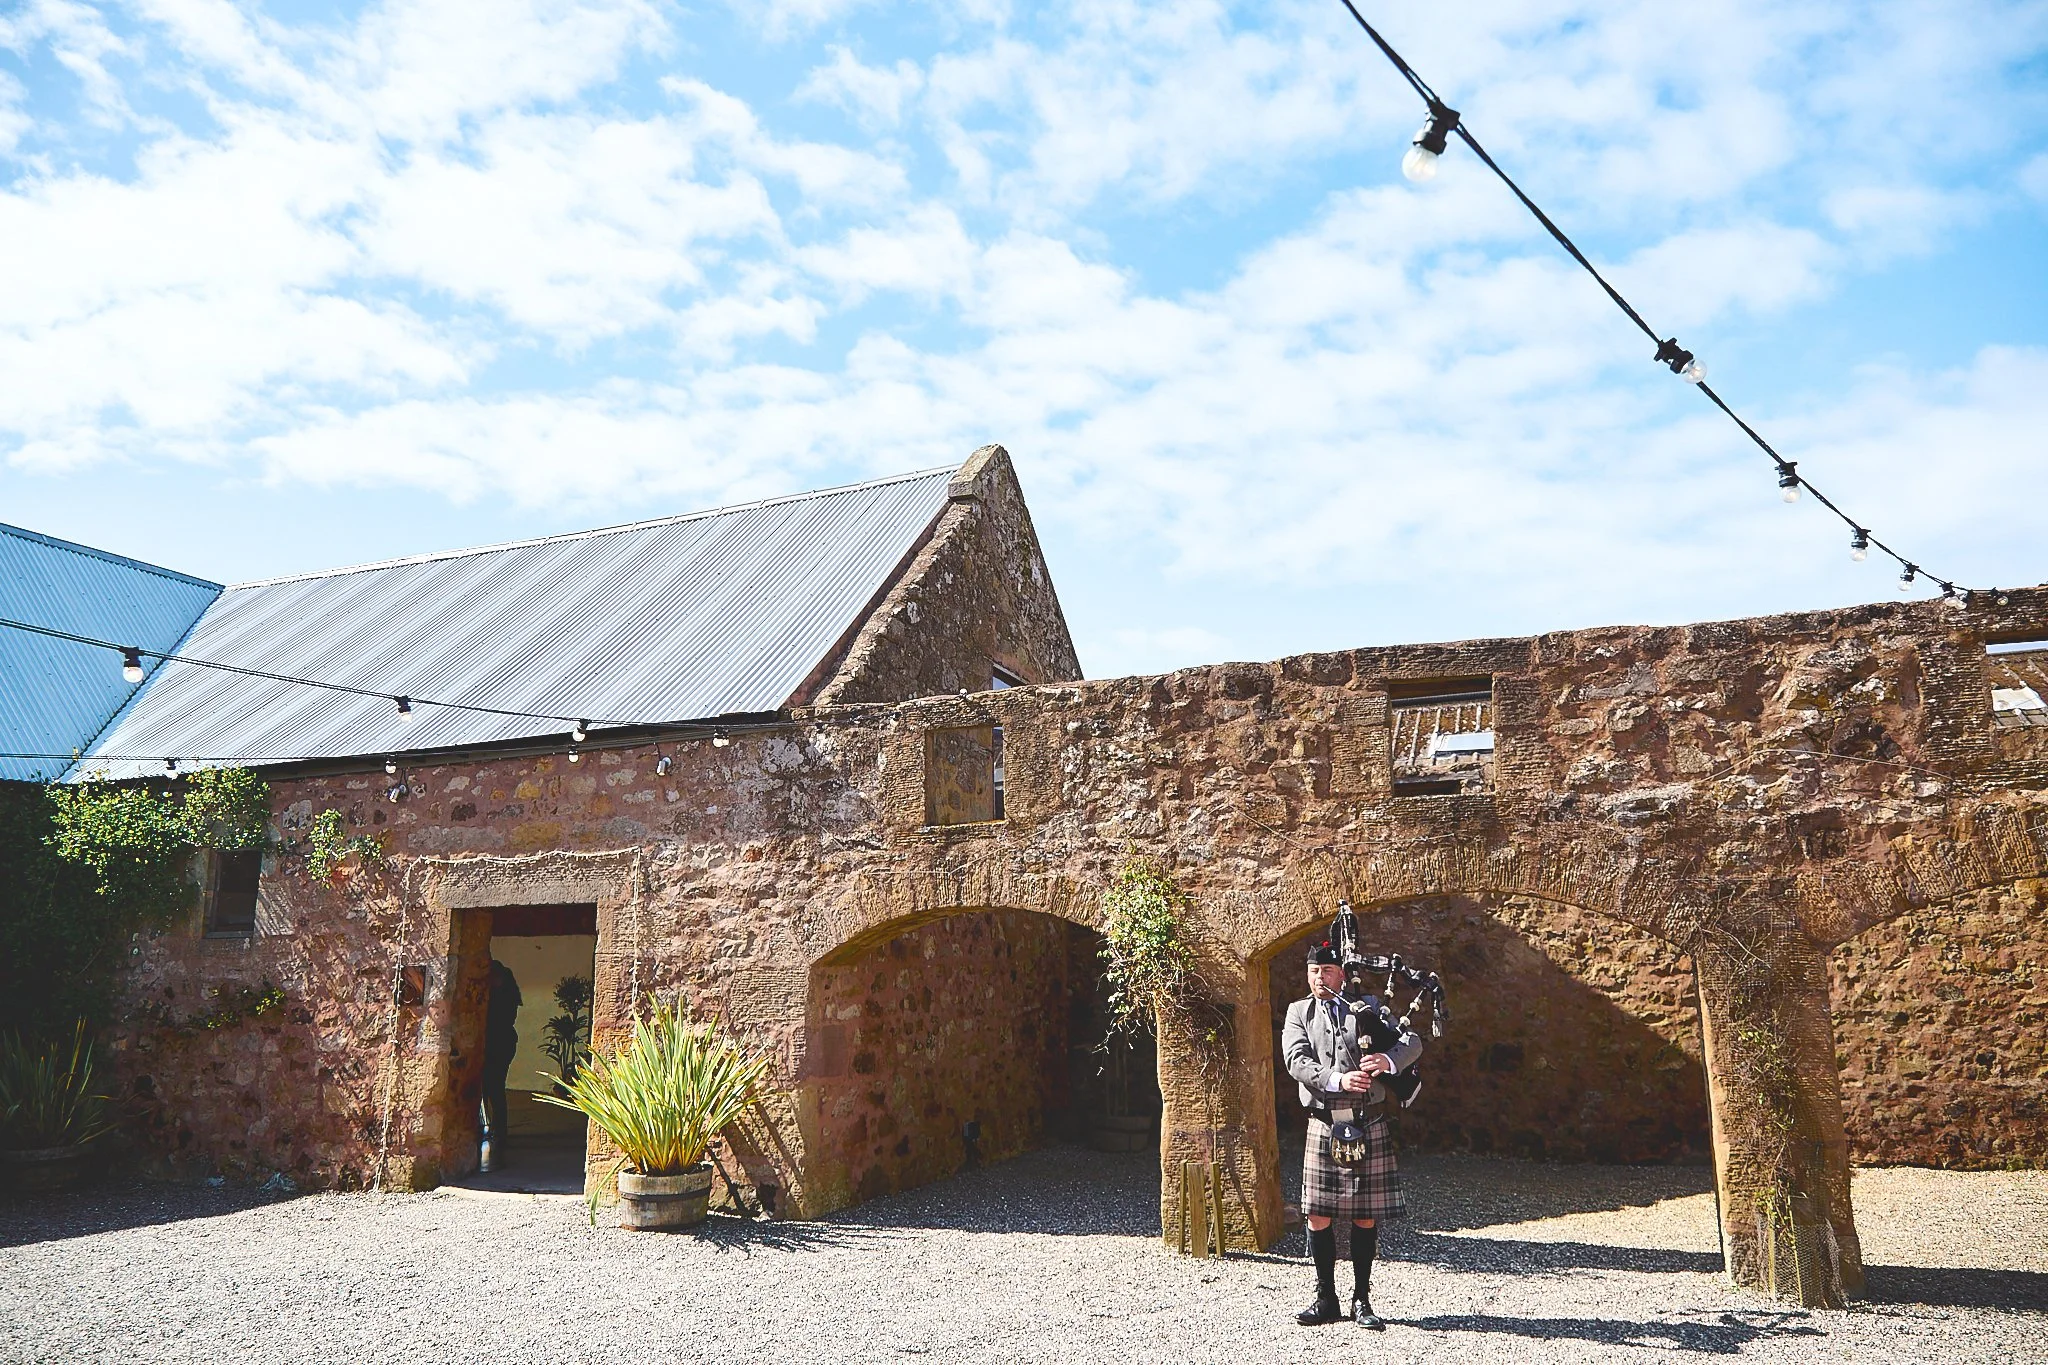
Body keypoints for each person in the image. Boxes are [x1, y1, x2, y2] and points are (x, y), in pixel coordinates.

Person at [1281, 941, 1423, 1330]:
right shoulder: (1299, 1012)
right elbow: (1296, 1060)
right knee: (1317, 1213)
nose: (1319, 978)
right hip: (1325, 1121)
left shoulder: (1368, 1007)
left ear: (1341, 974)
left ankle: (1362, 1300)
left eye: (1327, 971)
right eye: (1314, 971)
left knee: (1364, 1215)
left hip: (1368, 1121)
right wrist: (1337, 1079)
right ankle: (1326, 1297)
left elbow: (1412, 1042)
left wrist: (1388, 1059)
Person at [482, 959, 522, 1165]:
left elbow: (496, 1021)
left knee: (493, 1087)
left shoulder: (501, 997)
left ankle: (495, 1130)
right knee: (494, 1088)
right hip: (503, 1042)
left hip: (498, 1043)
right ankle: (496, 1130)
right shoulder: (509, 995)